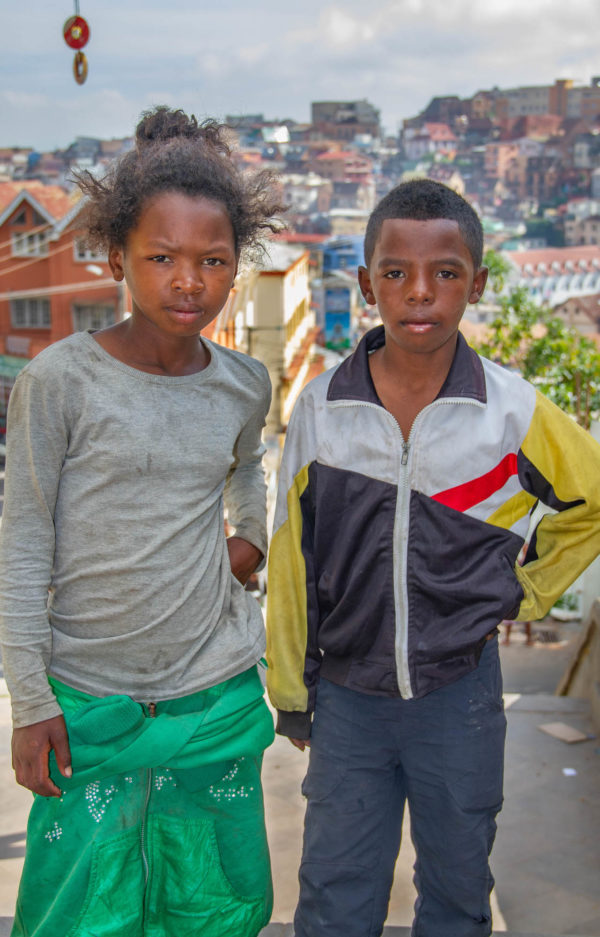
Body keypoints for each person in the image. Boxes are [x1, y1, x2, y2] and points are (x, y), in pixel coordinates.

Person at [266, 179, 600, 937]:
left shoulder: (510, 412)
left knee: (455, 888)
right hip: (348, 696)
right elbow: (292, 558)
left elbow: (591, 500)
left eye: (446, 273)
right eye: (396, 272)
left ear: (477, 284)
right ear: (365, 283)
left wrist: (524, 591)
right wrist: (291, 684)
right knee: (336, 891)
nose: (420, 293)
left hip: (461, 692)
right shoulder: (322, 410)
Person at [0, 106, 282, 937]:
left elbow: (249, 464)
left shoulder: (243, 382)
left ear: (237, 268)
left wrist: (251, 537)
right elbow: (21, 540)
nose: (187, 280)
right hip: (90, 695)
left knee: (216, 897)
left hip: (215, 690)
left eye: (212, 261)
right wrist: (26, 699)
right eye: (161, 258)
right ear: (117, 254)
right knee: (84, 907)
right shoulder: (61, 381)